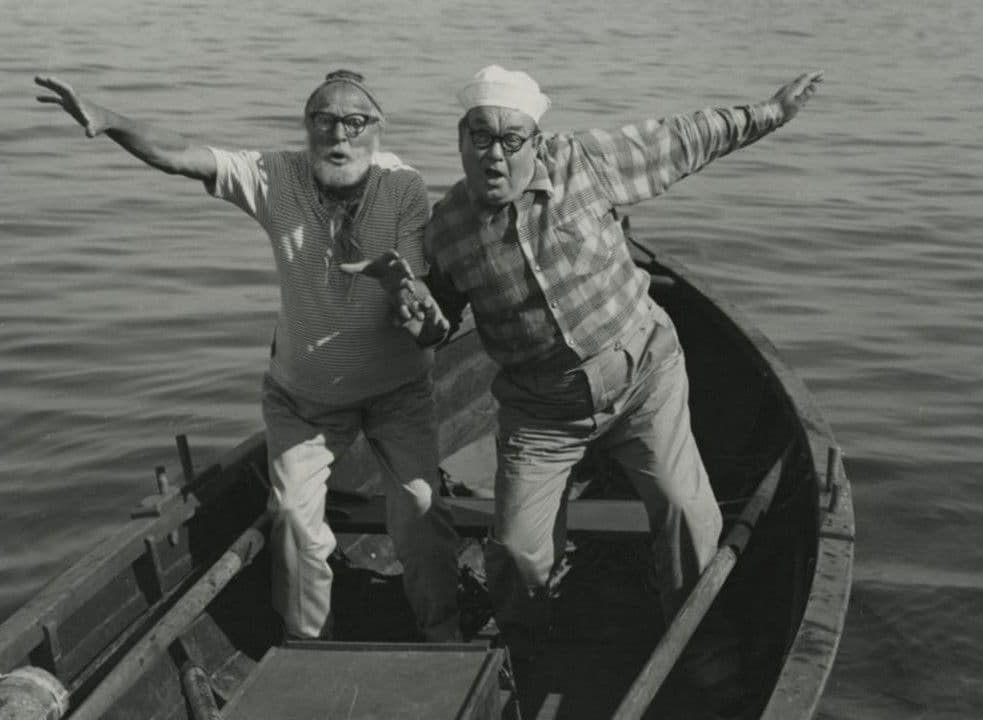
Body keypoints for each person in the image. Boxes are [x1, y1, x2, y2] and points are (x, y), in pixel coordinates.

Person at [353, 65, 824, 661]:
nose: (495, 155)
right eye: (481, 137)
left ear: (536, 141)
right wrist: (419, 318)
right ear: (461, 141)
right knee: (517, 552)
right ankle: (524, 650)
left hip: (643, 379)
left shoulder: (586, 163)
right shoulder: (445, 230)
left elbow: (684, 138)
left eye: (511, 139)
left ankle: (696, 646)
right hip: (541, 412)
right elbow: (440, 323)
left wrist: (771, 114)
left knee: (687, 513)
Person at [33, 70, 462, 642]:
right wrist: (111, 121)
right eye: (325, 121)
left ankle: (443, 631)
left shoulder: (404, 186)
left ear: (378, 130)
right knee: (293, 522)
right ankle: (308, 644)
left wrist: (412, 302)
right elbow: (182, 155)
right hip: (304, 401)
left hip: (397, 394)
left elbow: (417, 286)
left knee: (421, 510)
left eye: (355, 122)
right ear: (307, 128)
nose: (340, 135)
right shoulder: (273, 175)